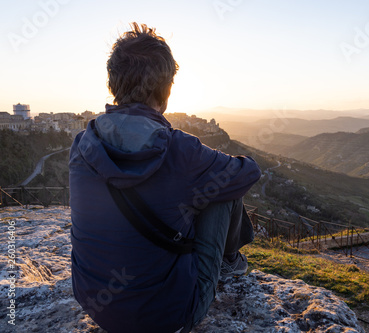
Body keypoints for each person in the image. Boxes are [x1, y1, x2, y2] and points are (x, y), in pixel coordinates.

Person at [69, 22, 261, 333]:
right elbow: (248, 172)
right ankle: (230, 263)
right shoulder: (180, 149)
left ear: (112, 85)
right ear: (167, 90)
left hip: (96, 308)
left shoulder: (82, 145)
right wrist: (209, 164)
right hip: (170, 317)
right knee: (226, 183)